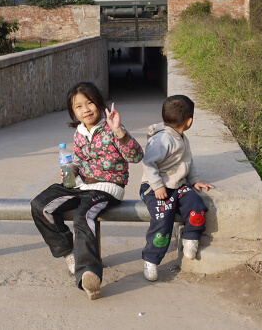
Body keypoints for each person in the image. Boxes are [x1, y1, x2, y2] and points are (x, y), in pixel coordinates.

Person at [31, 82, 143, 300]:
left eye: (89, 103)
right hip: (81, 185)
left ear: (99, 103)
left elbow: (136, 156)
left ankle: (89, 274)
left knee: (84, 215)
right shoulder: (80, 133)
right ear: (74, 112)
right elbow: (81, 161)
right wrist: (71, 169)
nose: (86, 110)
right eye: (79, 106)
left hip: (107, 187)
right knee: (40, 205)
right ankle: (67, 251)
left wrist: (119, 130)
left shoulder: (112, 128)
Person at [139, 94, 214, 282]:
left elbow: (187, 161)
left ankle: (190, 237)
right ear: (189, 121)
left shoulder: (181, 137)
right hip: (153, 186)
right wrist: (157, 186)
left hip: (176, 185)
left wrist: (194, 179)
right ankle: (151, 259)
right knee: (163, 218)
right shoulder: (163, 139)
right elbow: (148, 163)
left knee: (195, 203)